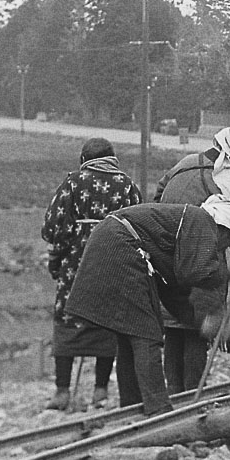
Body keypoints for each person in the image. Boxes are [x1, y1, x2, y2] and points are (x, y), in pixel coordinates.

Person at [62, 197, 230, 414]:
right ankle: (158, 410)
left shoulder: (182, 233)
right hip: (121, 246)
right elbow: (195, 272)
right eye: (226, 243)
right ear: (223, 230)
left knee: (130, 334)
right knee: (146, 334)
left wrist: (201, 323)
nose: (219, 249)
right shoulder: (201, 220)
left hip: (111, 243)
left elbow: (173, 291)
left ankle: (132, 407)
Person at [153, 126, 230, 391]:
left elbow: (157, 196)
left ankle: (174, 396)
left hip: (166, 255)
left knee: (174, 326)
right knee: (199, 329)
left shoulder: (185, 164)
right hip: (202, 260)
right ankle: (190, 399)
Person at [41, 137, 141, 410]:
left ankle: (62, 392)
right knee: (106, 322)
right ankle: (100, 391)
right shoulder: (127, 185)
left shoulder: (73, 182)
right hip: (113, 264)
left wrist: (57, 257)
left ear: (85, 158)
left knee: (67, 318)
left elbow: (53, 226)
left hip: (75, 265)